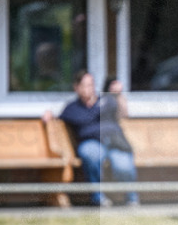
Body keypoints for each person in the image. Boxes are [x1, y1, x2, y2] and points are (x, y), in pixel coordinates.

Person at [44, 71, 138, 207]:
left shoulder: (106, 100)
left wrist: (118, 95)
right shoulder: (72, 109)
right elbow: (57, 118)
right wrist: (49, 115)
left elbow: (124, 114)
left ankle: (132, 199)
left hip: (115, 141)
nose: (89, 88)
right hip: (91, 142)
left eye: (91, 84)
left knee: (123, 165)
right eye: (85, 85)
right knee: (90, 154)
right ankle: (99, 198)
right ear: (76, 87)